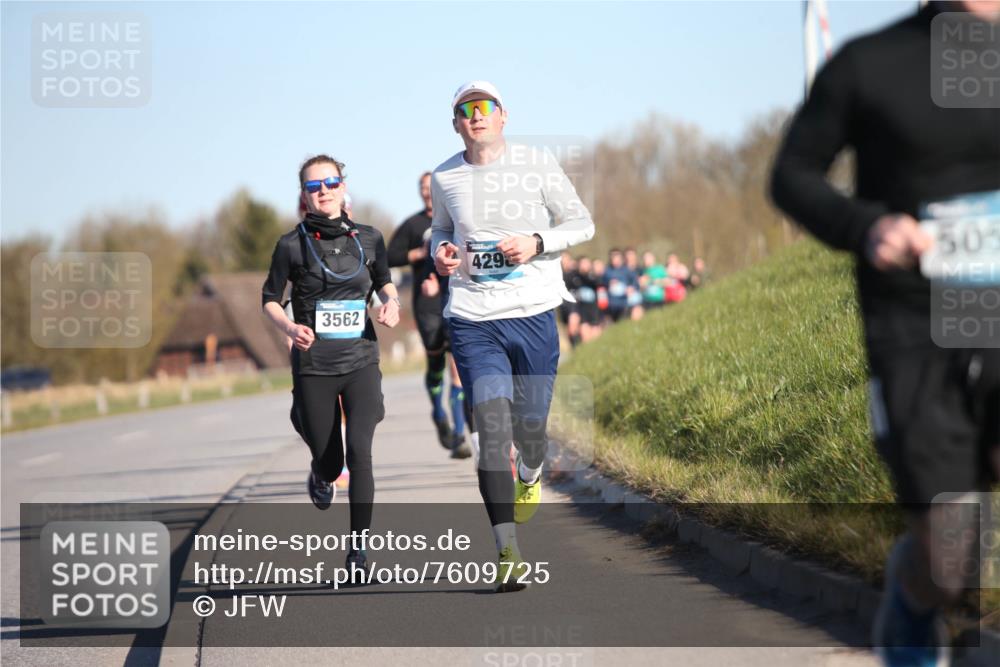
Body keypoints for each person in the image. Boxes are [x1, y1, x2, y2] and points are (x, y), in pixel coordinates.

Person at [770, 2, 1000, 665]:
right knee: (951, 558)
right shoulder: (870, 64)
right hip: (916, 325)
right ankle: (912, 598)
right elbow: (791, 175)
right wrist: (866, 225)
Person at [431, 80, 595, 592]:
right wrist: (441, 252)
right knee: (491, 431)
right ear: (456, 124)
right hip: (473, 317)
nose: (476, 115)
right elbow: (441, 230)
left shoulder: (536, 163)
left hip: (533, 312)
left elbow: (582, 223)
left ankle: (531, 467)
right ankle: (507, 551)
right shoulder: (444, 177)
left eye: (485, 107)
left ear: (503, 116)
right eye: (466, 110)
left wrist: (537, 242)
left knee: (530, 430)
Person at [262, 154, 400, 578]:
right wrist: (289, 326)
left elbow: (384, 281)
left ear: (343, 186)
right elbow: (269, 299)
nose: (323, 190)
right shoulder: (290, 245)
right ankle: (319, 468)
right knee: (331, 463)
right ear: (304, 195)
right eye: (313, 186)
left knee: (360, 451)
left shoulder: (370, 238)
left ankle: (358, 553)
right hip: (314, 365)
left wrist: (392, 303)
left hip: (361, 359)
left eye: (330, 182)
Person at [387, 172, 473, 458]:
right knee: (436, 360)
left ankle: (459, 435)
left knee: (457, 365)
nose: (427, 192)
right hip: (427, 303)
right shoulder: (413, 224)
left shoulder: (455, 219)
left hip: (456, 296)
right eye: (422, 188)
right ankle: (438, 412)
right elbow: (388, 257)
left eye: (430, 187)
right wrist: (418, 254)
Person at [574, 256, 603, 342]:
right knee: (585, 338)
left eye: (586, 263)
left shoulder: (593, 277)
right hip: (582, 311)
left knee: (596, 338)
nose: (585, 265)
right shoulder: (575, 277)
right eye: (583, 263)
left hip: (594, 310)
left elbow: (599, 284)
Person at [558, 252, 584, 348]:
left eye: (566, 259)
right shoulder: (558, 274)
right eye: (562, 259)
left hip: (574, 304)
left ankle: (579, 346)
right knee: (568, 329)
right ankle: (575, 349)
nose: (565, 261)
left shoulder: (576, 273)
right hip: (563, 306)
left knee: (573, 327)